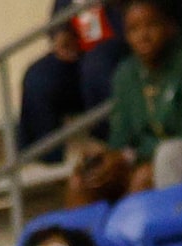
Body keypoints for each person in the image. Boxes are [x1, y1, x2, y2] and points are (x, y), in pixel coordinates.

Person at [73, 0, 182, 198]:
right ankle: (76, 230)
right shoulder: (126, 73)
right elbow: (119, 139)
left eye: (151, 26)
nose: (143, 36)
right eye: (133, 29)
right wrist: (107, 158)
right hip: (141, 161)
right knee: (82, 180)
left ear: (169, 27)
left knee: (142, 177)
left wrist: (132, 156)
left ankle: (137, 227)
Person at [21, 1, 126, 159]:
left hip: (123, 46)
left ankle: (113, 146)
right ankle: (47, 158)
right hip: (81, 52)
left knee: (96, 64)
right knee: (38, 77)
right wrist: (61, 32)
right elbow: (61, 9)